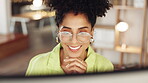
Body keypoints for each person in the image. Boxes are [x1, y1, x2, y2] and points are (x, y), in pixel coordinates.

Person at [26, 0, 114, 76]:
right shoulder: (38, 64)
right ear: (58, 32)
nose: (74, 41)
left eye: (82, 32)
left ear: (92, 33)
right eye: (66, 32)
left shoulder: (104, 66)